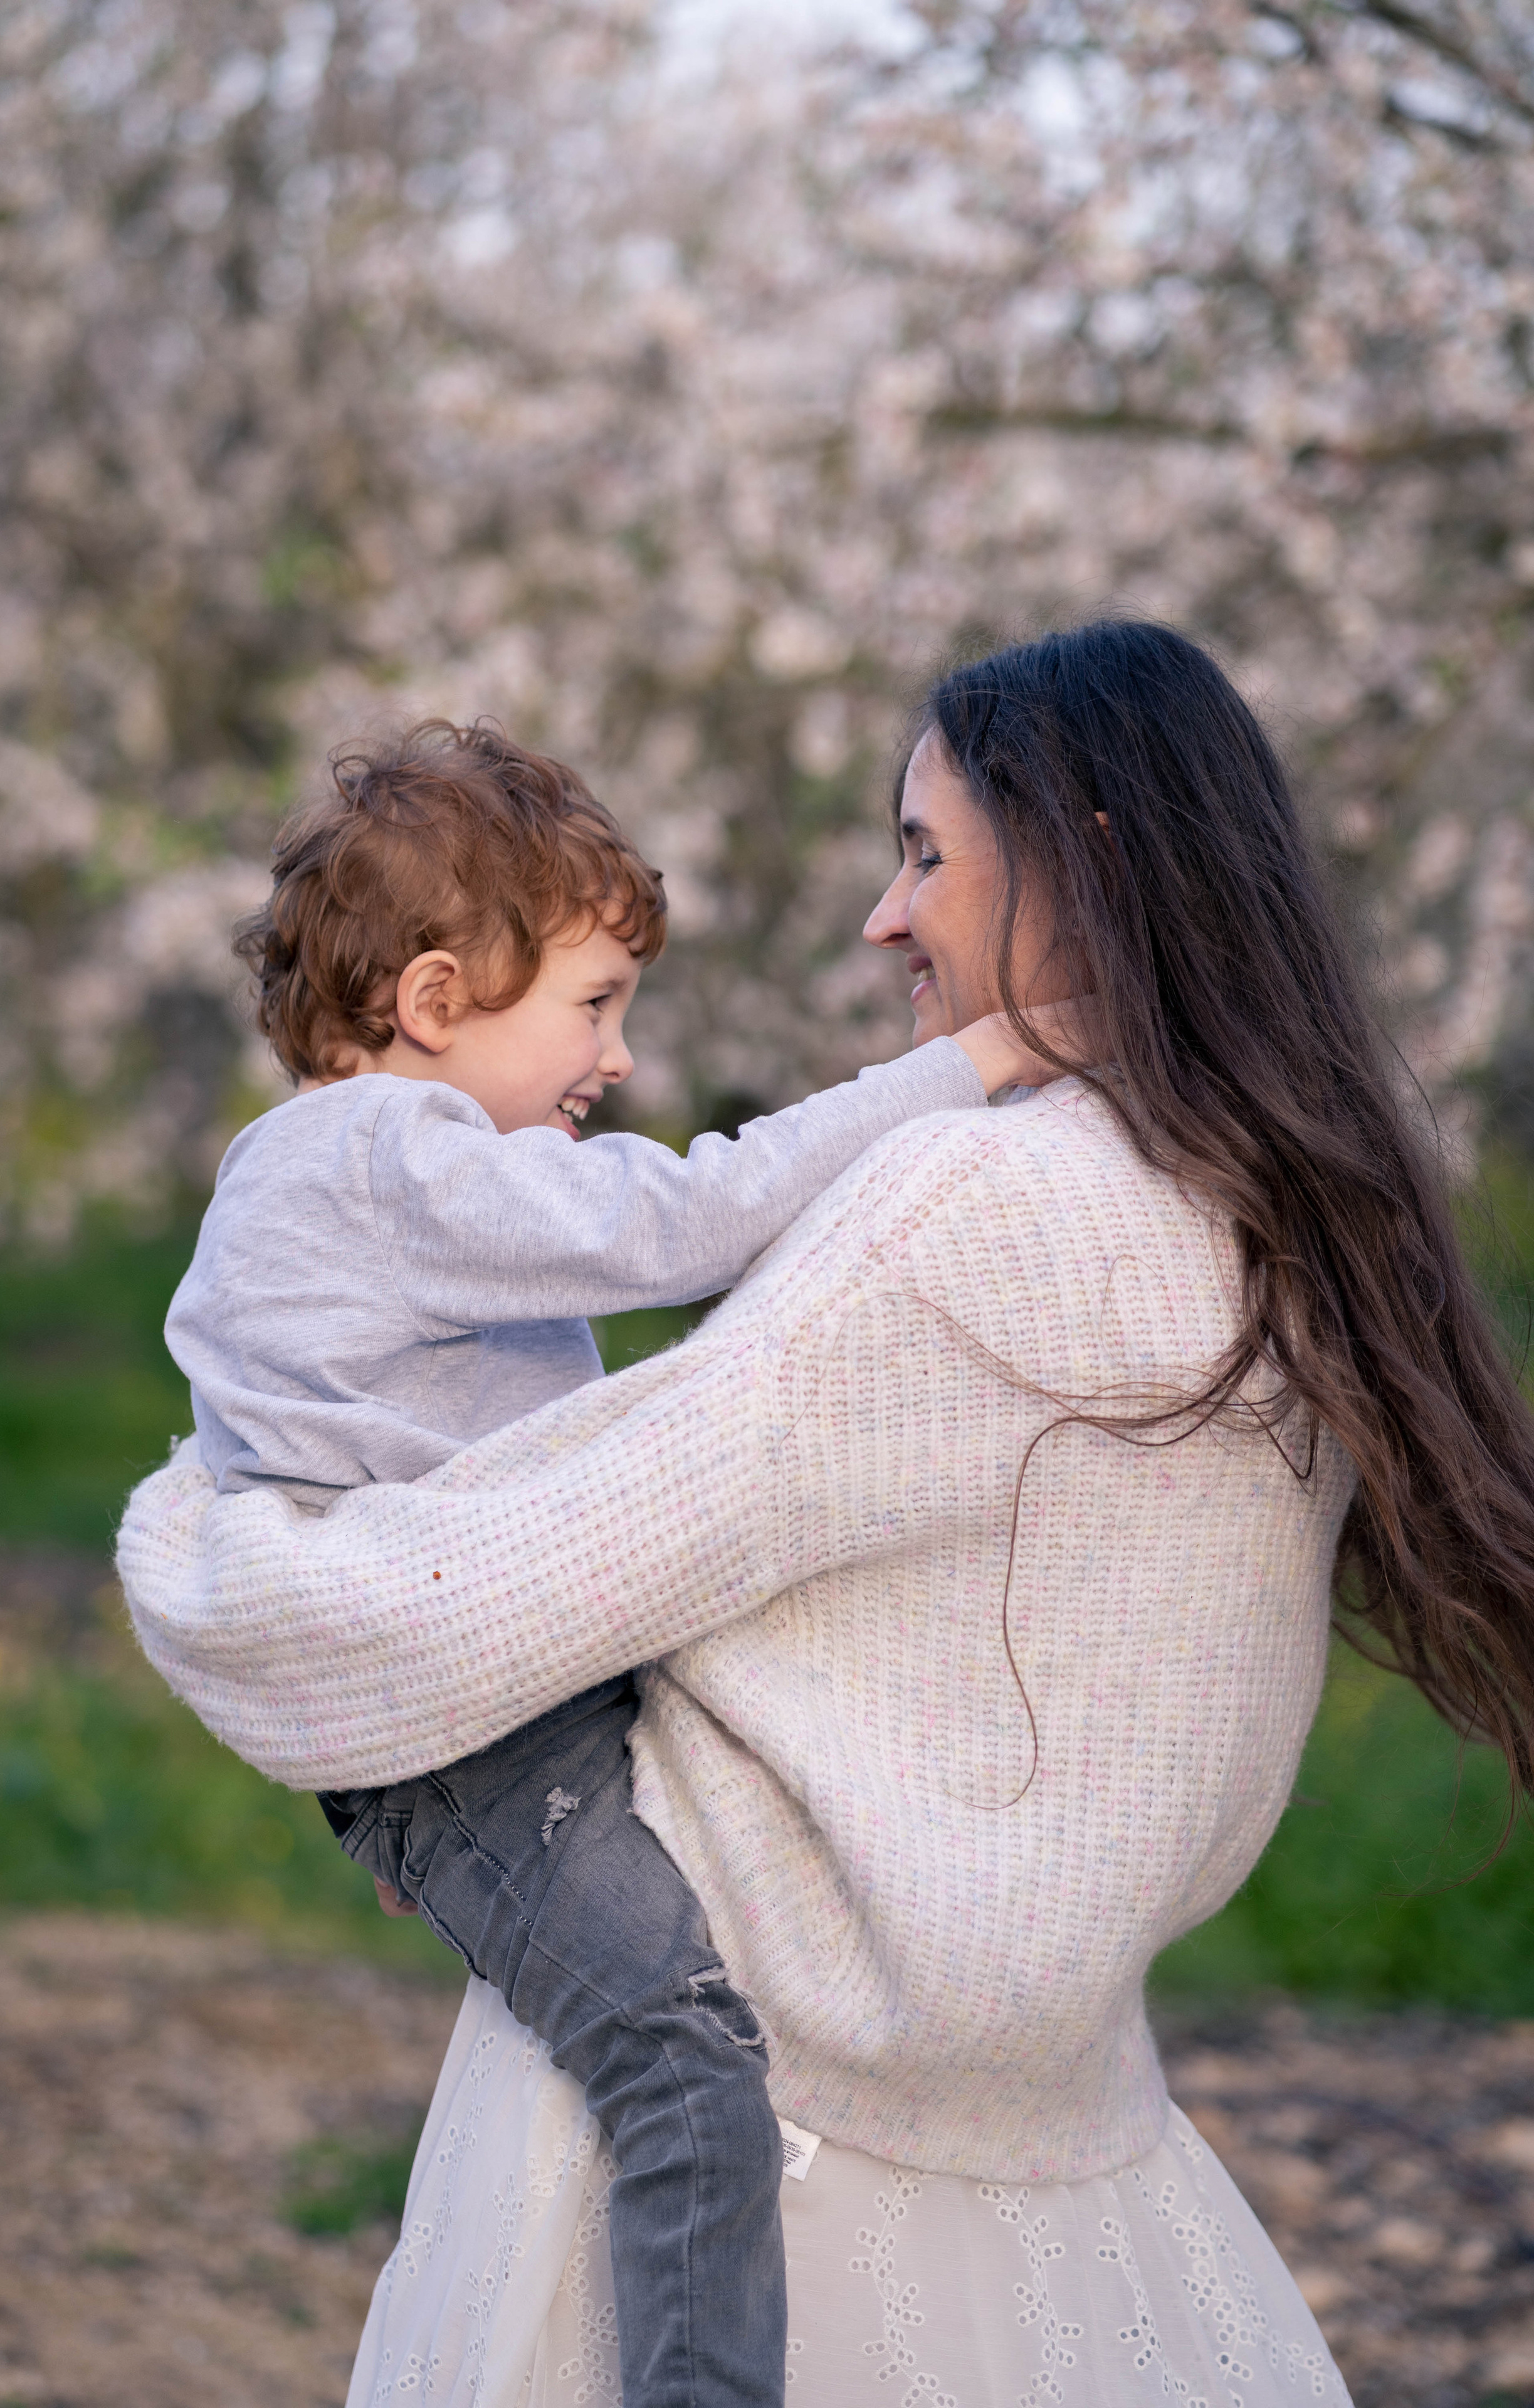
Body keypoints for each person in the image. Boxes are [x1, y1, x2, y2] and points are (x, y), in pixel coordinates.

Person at [120, 621, 1534, 2404]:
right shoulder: (1278, 1221)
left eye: (926, 852)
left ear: (1083, 863)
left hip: (804, 2128)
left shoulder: (973, 1206)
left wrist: (196, 1547)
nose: (881, 917)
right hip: (1058, 2128)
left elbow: (538, 1577)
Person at [158, 714, 1057, 2408]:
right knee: (684, 2064)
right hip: (483, 1745)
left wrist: (369, 1740)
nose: (621, 1059)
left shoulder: (290, 1177)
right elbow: (685, 1223)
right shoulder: (389, 1153)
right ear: (433, 1006)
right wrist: (966, 1070)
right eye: (592, 1006)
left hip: (452, 1728)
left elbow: (283, 1454)